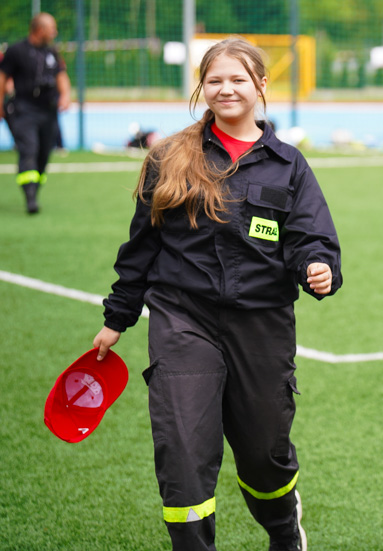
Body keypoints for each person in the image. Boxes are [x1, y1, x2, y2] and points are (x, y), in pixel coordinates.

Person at [91, 37, 342, 551]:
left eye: (238, 79)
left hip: (262, 323)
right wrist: (117, 318)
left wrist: (319, 268)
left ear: (261, 86)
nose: (226, 89)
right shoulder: (169, 157)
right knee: (183, 448)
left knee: (263, 454)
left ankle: (284, 530)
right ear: (201, 87)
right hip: (183, 318)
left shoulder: (288, 164)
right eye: (214, 80)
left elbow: (311, 237)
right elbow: (141, 246)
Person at [0, 12, 71, 214]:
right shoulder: (16, 51)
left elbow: (61, 75)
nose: (55, 32)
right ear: (40, 30)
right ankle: (30, 197)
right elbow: (2, 77)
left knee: (43, 154)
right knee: (29, 149)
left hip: (47, 111)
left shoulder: (53, 52)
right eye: (52, 29)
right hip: (23, 110)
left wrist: (65, 95)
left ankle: (34, 188)